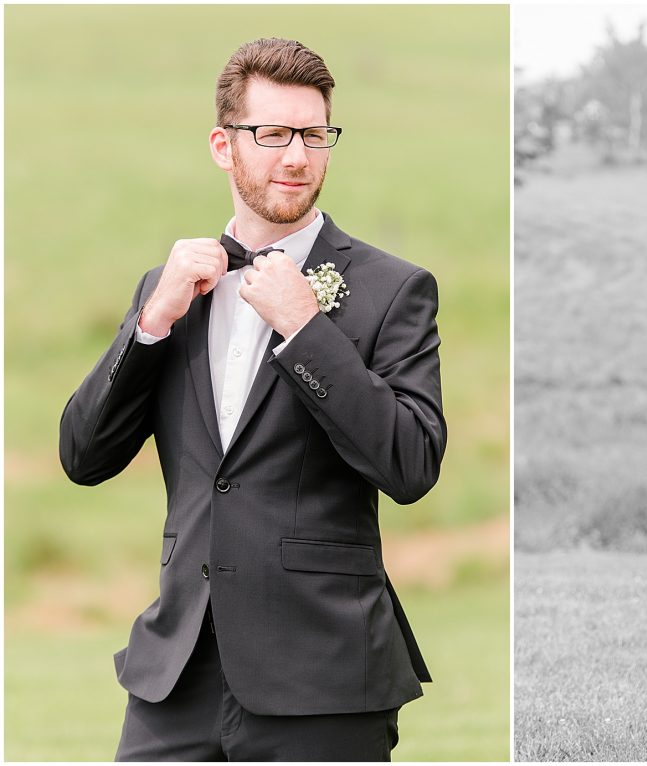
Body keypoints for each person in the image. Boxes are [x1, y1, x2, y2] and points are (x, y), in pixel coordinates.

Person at [59, 38, 445, 761]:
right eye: (272, 134)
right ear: (222, 144)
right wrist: (150, 324)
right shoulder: (167, 288)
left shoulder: (395, 290)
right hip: (175, 678)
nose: (296, 157)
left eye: (314, 134)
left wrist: (305, 328)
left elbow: (412, 463)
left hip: (323, 675)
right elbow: (83, 457)